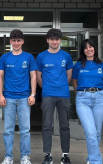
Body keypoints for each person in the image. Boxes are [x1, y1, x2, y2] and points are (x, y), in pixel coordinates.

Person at [0, 29, 37, 164]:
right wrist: (0, 95)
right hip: (8, 98)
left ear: (22, 41)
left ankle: (25, 156)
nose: (16, 43)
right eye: (14, 40)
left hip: (25, 98)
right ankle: (8, 156)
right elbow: (0, 76)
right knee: (8, 130)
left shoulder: (29, 57)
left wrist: (33, 94)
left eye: (18, 40)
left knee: (25, 130)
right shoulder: (4, 58)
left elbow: (33, 76)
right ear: (10, 41)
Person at [36, 28, 73, 164]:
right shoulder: (41, 56)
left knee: (64, 125)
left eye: (57, 39)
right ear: (48, 40)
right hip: (48, 95)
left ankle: (65, 154)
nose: (55, 41)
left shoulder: (66, 56)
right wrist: (46, 87)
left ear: (60, 40)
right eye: (52, 39)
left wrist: (61, 85)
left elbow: (69, 75)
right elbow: (38, 77)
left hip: (63, 95)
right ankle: (47, 154)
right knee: (46, 125)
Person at [72, 39, 103, 164]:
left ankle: (91, 158)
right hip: (83, 100)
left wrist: (97, 92)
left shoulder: (102, 65)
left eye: (91, 46)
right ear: (83, 51)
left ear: (94, 48)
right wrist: (82, 94)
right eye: (86, 47)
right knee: (91, 132)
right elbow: (75, 82)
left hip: (99, 99)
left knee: (97, 132)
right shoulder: (78, 65)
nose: (89, 49)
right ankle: (95, 161)